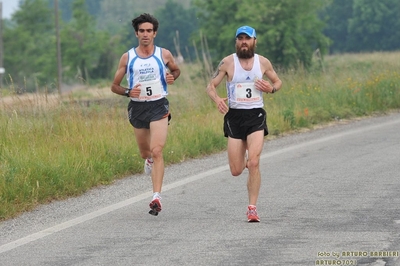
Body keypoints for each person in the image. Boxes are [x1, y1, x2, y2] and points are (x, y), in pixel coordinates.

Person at [206, 26, 282, 222]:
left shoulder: (263, 62)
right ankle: (247, 162)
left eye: (247, 38)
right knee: (236, 170)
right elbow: (211, 86)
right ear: (236, 42)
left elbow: (278, 82)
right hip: (235, 117)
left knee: (254, 162)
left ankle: (252, 208)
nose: (244, 42)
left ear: (255, 41)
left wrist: (271, 88)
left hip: (256, 115)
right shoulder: (227, 62)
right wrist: (217, 100)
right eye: (240, 38)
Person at [111, 13, 180, 216]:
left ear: (155, 33)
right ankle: (148, 160)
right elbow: (114, 86)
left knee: (157, 150)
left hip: (159, 105)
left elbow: (176, 71)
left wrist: (172, 76)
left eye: (149, 31)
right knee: (146, 152)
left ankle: (156, 196)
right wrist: (126, 92)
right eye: (142, 31)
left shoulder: (164, 54)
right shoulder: (128, 57)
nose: (145, 34)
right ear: (136, 33)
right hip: (138, 107)